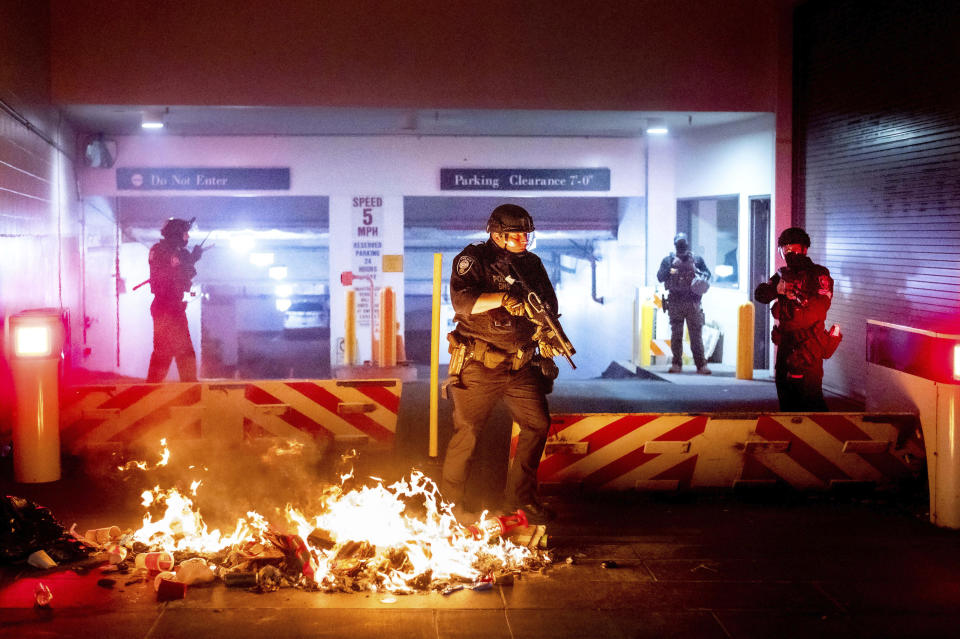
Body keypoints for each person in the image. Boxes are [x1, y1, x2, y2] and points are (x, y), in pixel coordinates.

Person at [441, 204, 561, 524]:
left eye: (526, 233)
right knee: (467, 433)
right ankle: (451, 507)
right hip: (480, 363)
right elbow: (462, 302)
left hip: (520, 365)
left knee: (537, 424)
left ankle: (520, 500)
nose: (524, 239)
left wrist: (547, 336)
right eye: (516, 234)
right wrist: (504, 299)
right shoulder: (473, 260)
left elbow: (548, 304)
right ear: (497, 234)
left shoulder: (532, 264)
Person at [754, 227, 835, 411]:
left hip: (809, 343)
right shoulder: (783, 275)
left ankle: (823, 438)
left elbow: (821, 307)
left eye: (794, 249)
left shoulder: (818, 274)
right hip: (786, 343)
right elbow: (760, 294)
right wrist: (778, 290)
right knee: (785, 396)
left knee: (811, 398)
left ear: (804, 249)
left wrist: (799, 297)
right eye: (786, 250)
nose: (790, 254)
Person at [146, 217, 203, 382]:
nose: (188, 237)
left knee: (165, 351)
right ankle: (189, 391)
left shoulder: (168, 251)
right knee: (181, 351)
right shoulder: (164, 251)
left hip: (169, 307)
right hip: (167, 307)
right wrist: (191, 259)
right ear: (177, 233)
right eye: (186, 233)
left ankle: (152, 388)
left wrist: (191, 259)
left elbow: (181, 273)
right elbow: (174, 274)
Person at [656, 233, 712, 374]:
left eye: (683, 244)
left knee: (696, 335)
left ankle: (701, 365)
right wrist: (672, 268)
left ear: (687, 245)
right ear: (675, 245)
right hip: (675, 302)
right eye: (679, 244)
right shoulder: (668, 260)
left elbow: (708, 274)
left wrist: (696, 272)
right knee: (676, 335)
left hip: (692, 302)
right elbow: (660, 277)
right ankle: (676, 364)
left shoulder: (696, 260)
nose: (681, 247)